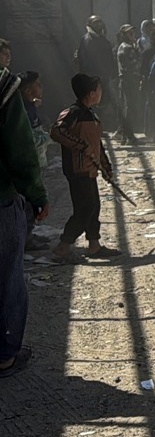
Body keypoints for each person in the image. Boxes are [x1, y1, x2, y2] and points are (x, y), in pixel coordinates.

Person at [0, 65, 50, 378]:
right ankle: (5, 355)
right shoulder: (4, 87)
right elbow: (19, 149)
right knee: (7, 279)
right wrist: (37, 195)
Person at [49, 74, 121, 264]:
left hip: (89, 169)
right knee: (84, 209)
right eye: (99, 90)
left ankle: (94, 245)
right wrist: (80, 145)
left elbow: (97, 144)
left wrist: (106, 167)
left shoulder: (91, 114)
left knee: (94, 206)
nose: (101, 93)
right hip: (77, 169)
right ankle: (63, 247)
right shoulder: (72, 113)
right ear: (91, 93)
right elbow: (56, 131)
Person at [16, 73, 51, 251]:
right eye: (38, 84)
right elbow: (28, 138)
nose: (41, 87)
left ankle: (29, 233)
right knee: (29, 200)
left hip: (38, 159)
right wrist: (48, 137)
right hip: (30, 161)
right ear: (28, 90)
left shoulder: (30, 106)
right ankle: (26, 238)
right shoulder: (22, 109)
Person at [114, 24, 142, 143]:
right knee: (130, 108)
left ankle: (124, 134)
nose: (132, 35)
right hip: (128, 80)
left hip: (130, 80)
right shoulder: (126, 48)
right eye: (129, 33)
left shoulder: (128, 46)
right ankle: (128, 135)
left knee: (129, 107)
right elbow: (133, 64)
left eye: (132, 32)